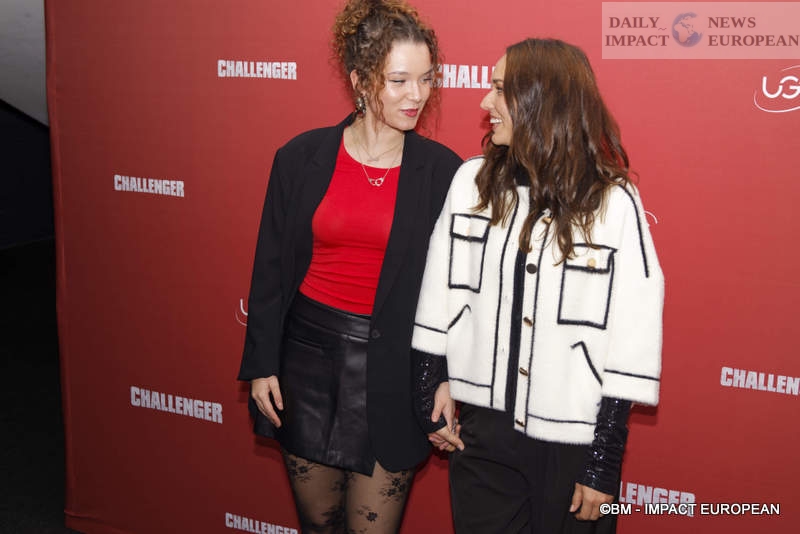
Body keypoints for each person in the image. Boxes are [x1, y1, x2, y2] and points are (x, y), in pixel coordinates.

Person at [411, 38, 664, 533]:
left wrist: (604, 459)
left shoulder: (614, 203)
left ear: (540, 100)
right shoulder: (472, 183)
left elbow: (632, 339)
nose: (485, 101)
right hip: (481, 435)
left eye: (499, 89)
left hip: (575, 443)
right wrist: (428, 381)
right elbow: (438, 290)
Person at [237, 1, 462, 532]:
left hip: (394, 371)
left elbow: (456, 294)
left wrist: (445, 379)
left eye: (426, 79)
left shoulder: (444, 173)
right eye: (399, 81)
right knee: (319, 524)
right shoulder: (300, 157)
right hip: (306, 364)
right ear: (361, 82)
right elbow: (270, 270)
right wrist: (262, 364)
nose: (416, 95)